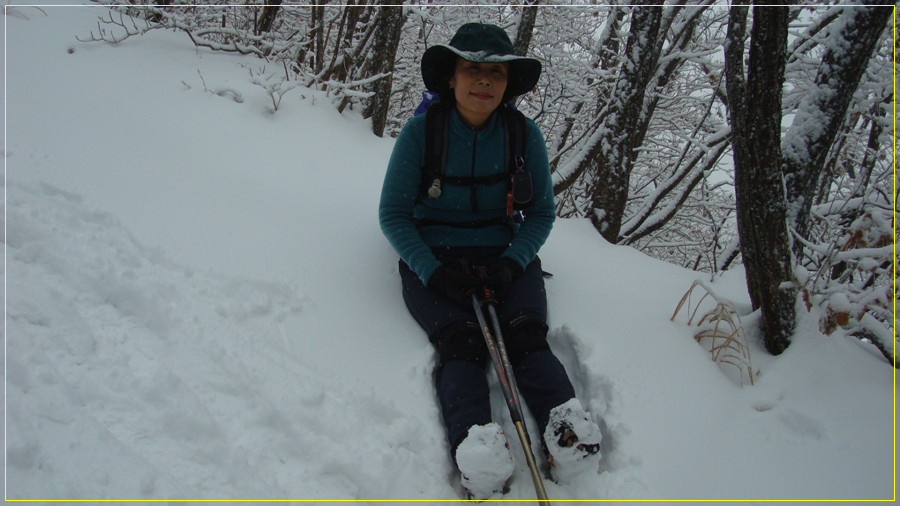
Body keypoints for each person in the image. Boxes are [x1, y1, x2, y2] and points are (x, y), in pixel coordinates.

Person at [379, 23, 602, 498]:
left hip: (504, 253)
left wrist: (513, 261)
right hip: (434, 255)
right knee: (461, 344)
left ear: (508, 82)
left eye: (495, 72)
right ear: (452, 78)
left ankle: (566, 428)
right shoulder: (422, 133)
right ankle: (476, 447)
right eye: (472, 69)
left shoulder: (524, 135)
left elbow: (541, 213)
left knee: (525, 335)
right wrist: (432, 272)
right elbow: (394, 215)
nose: (484, 81)